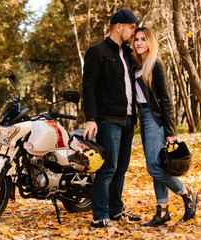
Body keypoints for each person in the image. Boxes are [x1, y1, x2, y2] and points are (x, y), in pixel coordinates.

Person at [131, 27, 199, 226]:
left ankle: (187, 195)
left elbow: (166, 99)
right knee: (158, 164)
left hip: (155, 118)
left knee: (153, 166)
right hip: (143, 117)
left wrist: (170, 131)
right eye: (136, 39)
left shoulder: (155, 64)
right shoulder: (137, 65)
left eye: (143, 39)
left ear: (150, 42)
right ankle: (162, 211)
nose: (139, 43)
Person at [82, 9, 142, 228]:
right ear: (119, 27)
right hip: (107, 119)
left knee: (121, 169)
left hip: (127, 118)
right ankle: (99, 215)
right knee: (107, 168)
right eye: (132, 28)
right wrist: (90, 118)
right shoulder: (97, 52)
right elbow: (88, 86)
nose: (134, 32)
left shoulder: (127, 53)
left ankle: (116, 211)